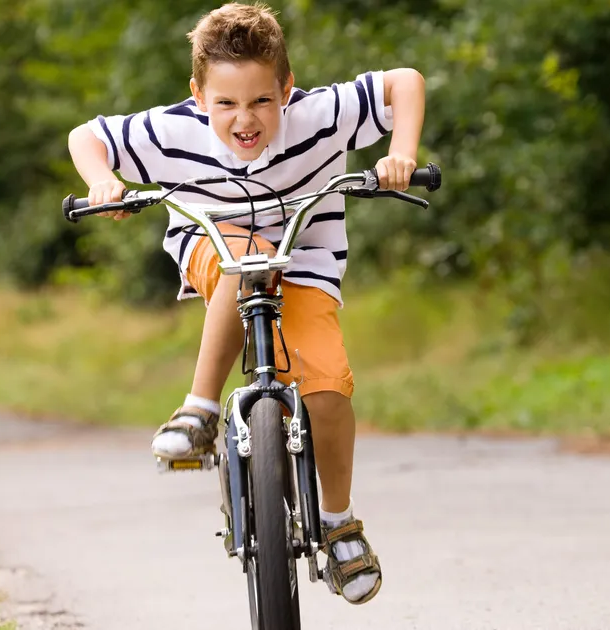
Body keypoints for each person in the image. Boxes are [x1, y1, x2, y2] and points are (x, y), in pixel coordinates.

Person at [66, 1, 426, 606]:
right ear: (198, 95)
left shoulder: (319, 115)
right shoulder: (173, 129)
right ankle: (199, 411)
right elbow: (87, 137)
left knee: (330, 387)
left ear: (286, 88)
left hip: (305, 261)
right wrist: (103, 182)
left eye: (262, 100)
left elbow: (404, 83)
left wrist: (403, 151)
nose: (245, 120)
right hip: (213, 246)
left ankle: (338, 522)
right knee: (245, 260)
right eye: (226, 104)